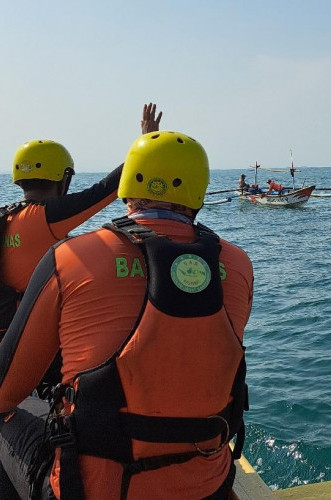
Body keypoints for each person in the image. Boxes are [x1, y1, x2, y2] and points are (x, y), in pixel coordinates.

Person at [0, 131, 253, 499]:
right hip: (208, 486)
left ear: (127, 186)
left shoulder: (70, 257)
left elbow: (5, 391)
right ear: (198, 193)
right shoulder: (238, 263)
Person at [0, 103, 162, 338]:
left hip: (8, 329)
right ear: (63, 178)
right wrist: (146, 144)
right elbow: (105, 190)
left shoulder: (9, 215)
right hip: (31, 333)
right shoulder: (47, 216)